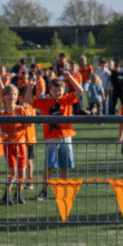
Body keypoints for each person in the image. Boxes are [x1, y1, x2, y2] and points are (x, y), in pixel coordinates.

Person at [30, 71, 83, 200]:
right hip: (51, 137)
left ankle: (62, 189)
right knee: (49, 165)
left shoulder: (67, 99)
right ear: (50, 90)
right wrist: (30, 87)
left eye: (60, 90)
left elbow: (80, 91)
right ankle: (44, 190)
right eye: (55, 90)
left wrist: (70, 78)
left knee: (65, 165)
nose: (58, 93)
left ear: (64, 90)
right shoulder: (45, 101)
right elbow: (29, 101)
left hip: (66, 135)